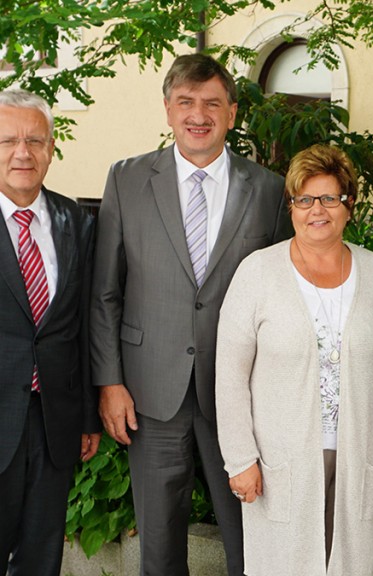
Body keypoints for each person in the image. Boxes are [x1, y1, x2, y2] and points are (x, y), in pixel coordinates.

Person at [90, 54, 291, 575]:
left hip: (240, 395)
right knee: (158, 543)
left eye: (211, 103)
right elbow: (106, 292)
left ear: (232, 112)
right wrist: (109, 381)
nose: (197, 114)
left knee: (253, 536)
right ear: (167, 109)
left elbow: (283, 297)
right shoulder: (127, 179)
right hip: (149, 390)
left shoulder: (269, 190)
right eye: (185, 102)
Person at [216, 144, 373, 576]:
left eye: (329, 198)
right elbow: (229, 374)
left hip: (359, 455)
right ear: (291, 207)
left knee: (352, 564)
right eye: (304, 199)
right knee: (284, 564)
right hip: (279, 461)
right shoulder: (257, 272)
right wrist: (240, 458)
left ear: (349, 205)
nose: (316, 210)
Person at [0, 89, 101, 575]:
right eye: (8, 141)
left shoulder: (75, 221)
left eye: (35, 140)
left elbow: (81, 325)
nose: (23, 152)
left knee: (41, 559)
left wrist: (86, 414)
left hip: (54, 424)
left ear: (51, 148)